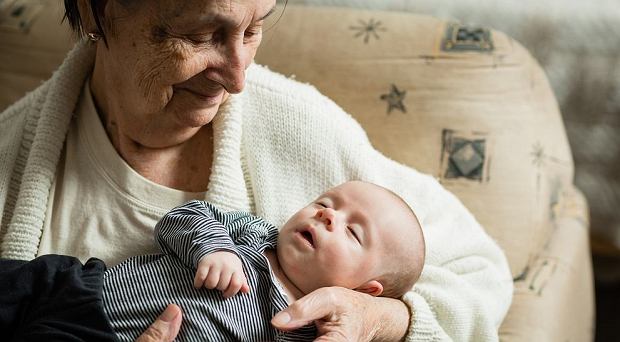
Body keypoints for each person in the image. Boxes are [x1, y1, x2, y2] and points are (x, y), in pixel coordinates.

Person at [0, 0, 513, 341]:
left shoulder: (303, 128)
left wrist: (379, 318)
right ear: (97, 11)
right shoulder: (10, 158)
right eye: (203, 34)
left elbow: (480, 272)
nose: (239, 76)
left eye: (254, 27)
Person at [0, 181, 425, 341]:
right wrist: (214, 248)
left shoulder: (306, 332)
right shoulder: (255, 234)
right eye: (325, 202)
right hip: (80, 282)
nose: (328, 214)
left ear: (366, 291)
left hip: (99, 336)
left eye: (352, 231)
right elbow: (184, 216)